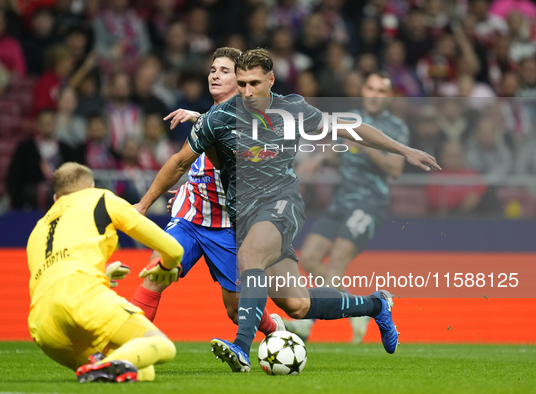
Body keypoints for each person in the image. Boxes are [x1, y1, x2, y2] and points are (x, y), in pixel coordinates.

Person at [135, 49, 440, 372]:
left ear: (271, 79)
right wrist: (142, 204)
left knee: (249, 256)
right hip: (245, 217)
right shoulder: (218, 119)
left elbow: (350, 128)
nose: (248, 92)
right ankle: (376, 304)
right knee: (296, 304)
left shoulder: (292, 108)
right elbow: (179, 162)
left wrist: (403, 149)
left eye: (254, 83)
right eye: (242, 84)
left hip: (282, 205)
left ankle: (240, 347)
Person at [131, 47, 285, 337]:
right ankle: (126, 346)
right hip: (190, 218)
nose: (215, 75)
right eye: (213, 69)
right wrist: (155, 199)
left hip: (227, 225)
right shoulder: (210, 116)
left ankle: (273, 328)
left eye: (224, 71)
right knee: (156, 274)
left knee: (234, 309)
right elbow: (182, 162)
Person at [27, 162, 183, 383]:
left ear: (55, 199)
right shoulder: (100, 198)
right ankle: (102, 367)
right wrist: (166, 266)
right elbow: (174, 249)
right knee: (162, 346)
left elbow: (54, 277)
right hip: (81, 296)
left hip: (43, 325)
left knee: (142, 371)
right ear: (90, 187)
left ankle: (99, 368)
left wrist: (102, 276)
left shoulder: (37, 229)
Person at [284, 72, 410, 344]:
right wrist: (317, 162)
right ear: (363, 90)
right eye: (371, 88)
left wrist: (367, 145)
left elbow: (396, 168)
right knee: (309, 259)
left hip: (369, 204)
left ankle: (305, 324)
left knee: (337, 261)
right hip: (341, 202)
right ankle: (360, 309)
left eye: (381, 90)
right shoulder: (351, 117)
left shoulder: (395, 126)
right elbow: (338, 154)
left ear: (388, 97)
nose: (375, 94)